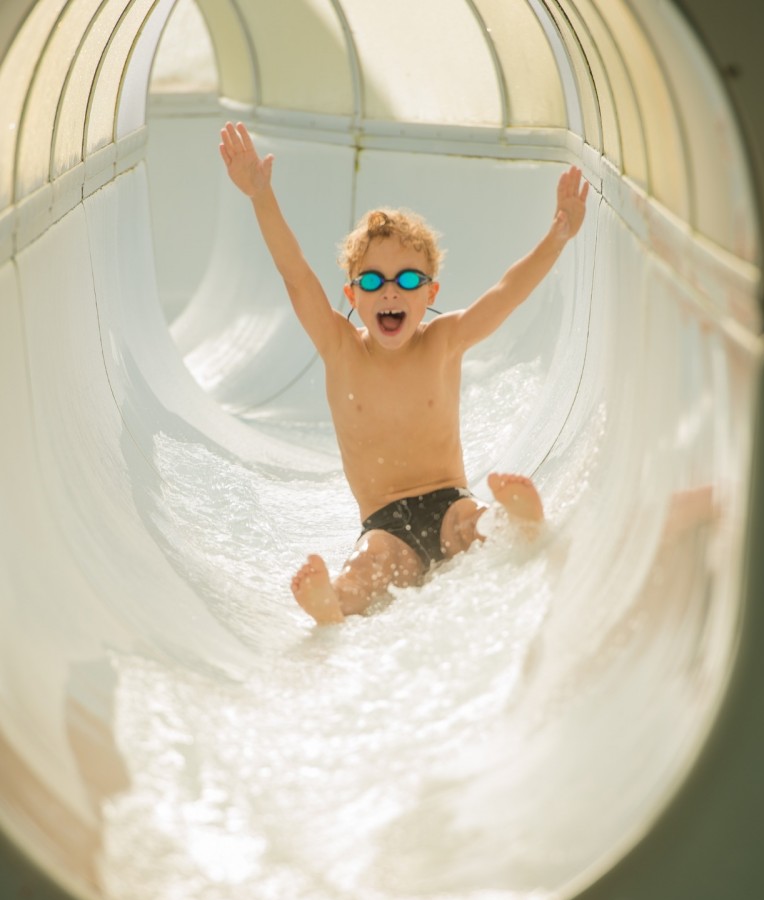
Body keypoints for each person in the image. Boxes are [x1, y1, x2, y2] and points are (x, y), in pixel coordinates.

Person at [219, 122, 589, 625]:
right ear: (351, 296)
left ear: (430, 294)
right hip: (386, 520)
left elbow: (506, 293)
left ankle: (516, 524)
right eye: (372, 280)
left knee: (470, 525)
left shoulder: (444, 341)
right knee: (372, 563)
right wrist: (261, 196)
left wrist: (557, 237)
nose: (390, 292)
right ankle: (337, 599)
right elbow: (297, 274)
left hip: (448, 498)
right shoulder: (339, 348)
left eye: (408, 279)